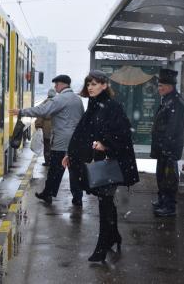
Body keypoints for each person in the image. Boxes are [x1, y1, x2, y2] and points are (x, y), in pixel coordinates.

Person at [63, 70, 139, 262]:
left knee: (105, 202)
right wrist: (69, 154)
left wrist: (106, 144)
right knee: (105, 201)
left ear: (105, 85)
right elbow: (82, 133)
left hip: (110, 162)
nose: (90, 87)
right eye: (88, 84)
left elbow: (123, 134)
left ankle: (102, 246)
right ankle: (113, 236)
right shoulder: (94, 105)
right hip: (100, 163)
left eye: (95, 83)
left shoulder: (111, 106)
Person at [10, 75, 84, 205]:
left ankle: (48, 194)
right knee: (75, 171)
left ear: (62, 84)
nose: (55, 87)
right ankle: (77, 197)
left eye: (56, 85)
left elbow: (43, 110)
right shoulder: (77, 99)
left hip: (61, 141)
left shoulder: (60, 99)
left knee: (55, 169)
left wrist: (22, 111)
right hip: (76, 141)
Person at [150, 68, 184, 217]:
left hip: (169, 148)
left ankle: (169, 206)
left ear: (170, 86)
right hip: (163, 147)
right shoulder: (168, 100)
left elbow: (174, 128)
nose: (159, 88)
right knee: (161, 176)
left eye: (161, 86)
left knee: (169, 178)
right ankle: (162, 200)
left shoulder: (176, 102)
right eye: (158, 85)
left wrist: (167, 148)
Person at [34, 88, 56, 166]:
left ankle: (47, 161)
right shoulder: (57, 102)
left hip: (46, 128)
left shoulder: (45, 103)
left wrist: (38, 125)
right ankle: (54, 161)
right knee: (54, 146)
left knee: (47, 145)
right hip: (55, 128)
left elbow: (40, 115)